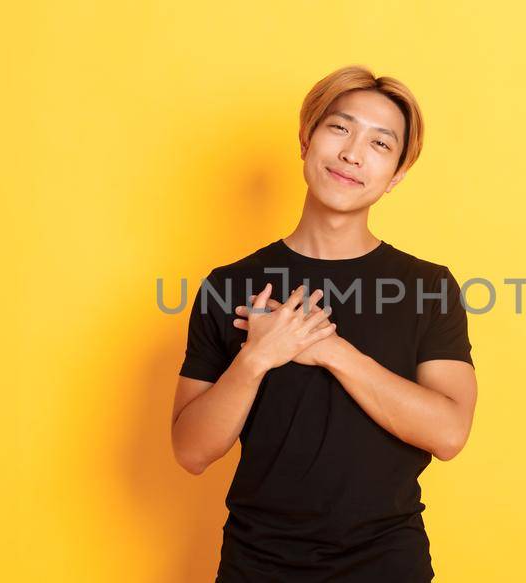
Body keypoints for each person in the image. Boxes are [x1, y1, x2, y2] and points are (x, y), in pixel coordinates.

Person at [169, 65, 479, 582]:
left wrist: (330, 349)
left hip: (386, 564)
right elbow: (190, 452)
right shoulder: (228, 285)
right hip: (256, 565)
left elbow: (448, 434)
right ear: (307, 140)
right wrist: (257, 358)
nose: (353, 154)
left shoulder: (428, 286)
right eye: (340, 128)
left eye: (380, 144)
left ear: (397, 174)